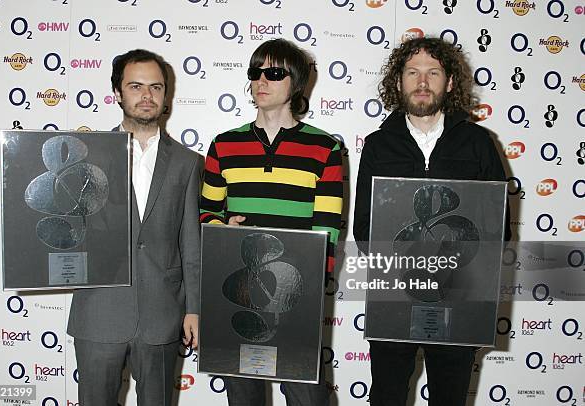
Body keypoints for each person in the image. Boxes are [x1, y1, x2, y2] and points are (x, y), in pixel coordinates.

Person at [353, 37, 511, 406]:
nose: (422, 82)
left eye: (433, 73)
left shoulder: (479, 144)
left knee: (450, 396)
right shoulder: (378, 145)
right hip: (393, 294)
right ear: (398, 83)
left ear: (450, 83)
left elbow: (497, 226)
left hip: (460, 296)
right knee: (387, 395)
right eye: (412, 73)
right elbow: (365, 226)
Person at [199, 38, 343, 406]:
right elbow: (206, 213)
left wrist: (310, 289)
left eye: (274, 72)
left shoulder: (325, 148)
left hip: (299, 294)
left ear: (296, 83)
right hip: (239, 290)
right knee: (243, 398)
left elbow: (327, 227)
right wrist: (221, 233)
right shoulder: (223, 145)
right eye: (255, 72)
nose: (261, 80)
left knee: (307, 398)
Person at [67, 49, 201, 406]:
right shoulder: (85, 154)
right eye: (136, 86)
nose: (147, 96)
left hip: (162, 314)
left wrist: (195, 308)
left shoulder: (188, 163)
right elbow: (67, 230)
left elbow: (191, 242)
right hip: (98, 311)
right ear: (117, 94)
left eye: (156, 87)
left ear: (165, 95)